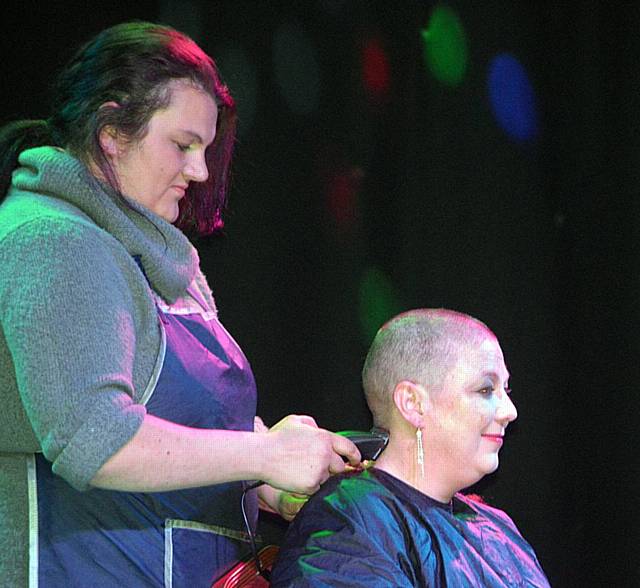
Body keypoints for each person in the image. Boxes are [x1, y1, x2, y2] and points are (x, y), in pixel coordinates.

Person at [0, 22, 360, 587]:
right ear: (112, 131)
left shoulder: (155, 258)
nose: (199, 171)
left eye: (207, 150)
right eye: (183, 145)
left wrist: (263, 474)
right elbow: (94, 441)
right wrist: (261, 455)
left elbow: (182, 442)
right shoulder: (54, 241)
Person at [270, 309, 551, 587]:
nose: (509, 411)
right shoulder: (348, 526)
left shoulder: (497, 527)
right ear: (413, 404)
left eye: (506, 390)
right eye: (486, 390)